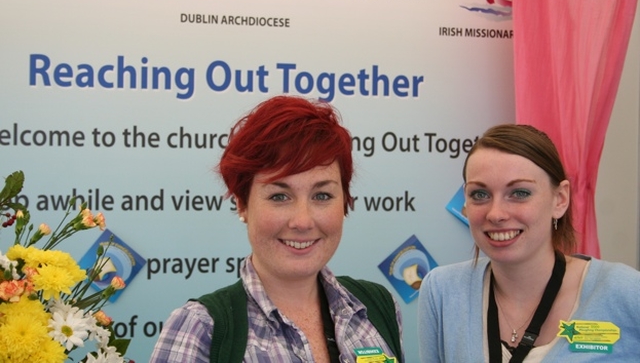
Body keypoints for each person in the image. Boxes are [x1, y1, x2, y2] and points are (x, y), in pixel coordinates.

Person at [150, 95, 403, 363]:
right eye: (279, 196)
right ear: (242, 204)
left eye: (322, 196)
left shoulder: (376, 307)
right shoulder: (200, 329)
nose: (303, 221)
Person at [417, 124, 640, 362]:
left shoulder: (626, 292)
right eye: (479, 195)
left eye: (520, 193)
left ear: (560, 199)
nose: (496, 214)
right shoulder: (442, 290)